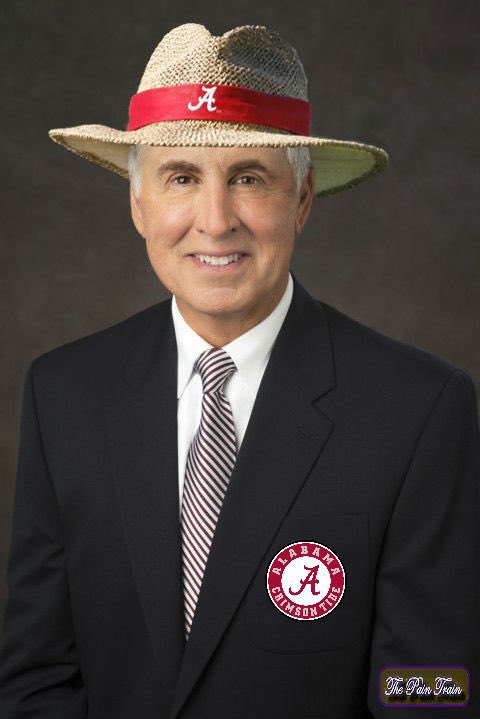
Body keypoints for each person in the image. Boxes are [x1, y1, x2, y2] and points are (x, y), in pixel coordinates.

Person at [0, 22, 478, 719]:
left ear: (302, 200)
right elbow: (34, 677)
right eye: (181, 178)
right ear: (138, 203)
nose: (216, 220)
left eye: (249, 177)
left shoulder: (419, 411)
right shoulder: (63, 395)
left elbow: (436, 688)